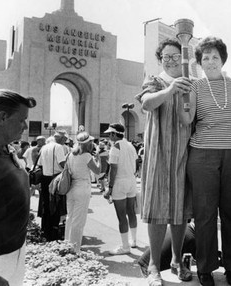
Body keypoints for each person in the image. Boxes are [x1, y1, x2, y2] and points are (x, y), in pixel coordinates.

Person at [180, 36, 231, 286]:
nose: (210, 61)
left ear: (223, 59)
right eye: (205, 58)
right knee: (205, 214)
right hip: (202, 156)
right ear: (199, 63)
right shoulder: (195, 86)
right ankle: (205, 268)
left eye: (215, 57)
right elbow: (187, 120)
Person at [135, 38, 193, 285]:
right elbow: (147, 103)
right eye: (166, 57)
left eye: (175, 56)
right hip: (158, 155)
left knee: (179, 214)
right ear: (160, 60)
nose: (170, 60)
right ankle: (153, 266)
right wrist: (171, 90)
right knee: (157, 213)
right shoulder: (154, 81)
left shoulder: (191, 82)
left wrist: (185, 94)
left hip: (183, 155)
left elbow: (191, 118)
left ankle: (177, 261)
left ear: (182, 58)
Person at [0, 89, 36, 286]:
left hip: (14, 253)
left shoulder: (4, 148)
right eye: (22, 120)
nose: (26, 126)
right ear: (2, 117)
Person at [103, 123, 139, 255]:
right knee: (131, 212)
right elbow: (136, 162)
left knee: (121, 216)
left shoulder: (115, 147)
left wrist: (110, 187)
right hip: (131, 180)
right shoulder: (130, 145)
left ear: (114, 134)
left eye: (109, 134)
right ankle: (133, 241)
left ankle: (125, 247)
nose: (108, 136)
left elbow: (113, 169)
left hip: (120, 181)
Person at [64, 132, 100, 253]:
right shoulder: (87, 156)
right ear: (88, 143)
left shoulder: (70, 154)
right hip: (82, 186)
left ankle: (66, 244)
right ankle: (75, 248)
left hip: (71, 186)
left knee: (70, 217)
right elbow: (98, 171)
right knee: (79, 220)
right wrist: (98, 159)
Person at [38, 130, 69, 241]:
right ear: (61, 138)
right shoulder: (59, 147)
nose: (65, 141)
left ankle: (45, 231)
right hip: (55, 178)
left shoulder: (44, 147)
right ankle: (53, 233)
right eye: (65, 139)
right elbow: (62, 163)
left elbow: (40, 164)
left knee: (45, 206)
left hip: (45, 178)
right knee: (55, 206)